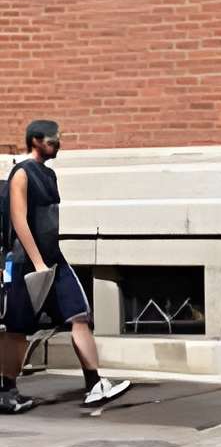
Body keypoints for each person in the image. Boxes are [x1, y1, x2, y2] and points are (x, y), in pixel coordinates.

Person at [2, 120, 129, 410]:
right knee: (17, 329)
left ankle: (94, 383)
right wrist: (37, 263)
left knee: (79, 315)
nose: (58, 144)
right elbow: (18, 219)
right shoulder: (21, 173)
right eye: (52, 140)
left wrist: (50, 260)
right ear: (35, 140)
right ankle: (7, 391)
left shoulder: (49, 174)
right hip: (27, 262)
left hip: (54, 259)